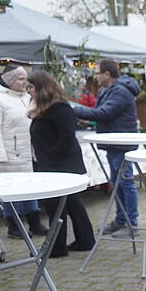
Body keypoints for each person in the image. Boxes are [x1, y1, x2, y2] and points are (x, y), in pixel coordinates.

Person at [27, 70, 95, 257]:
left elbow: (67, 138)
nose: (28, 91)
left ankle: (57, 247)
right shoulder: (43, 108)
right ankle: (85, 240)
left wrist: (51, 157)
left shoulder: (59, 108)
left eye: (31, 87)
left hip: (62, 167)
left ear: (41, 87)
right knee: (71, 204)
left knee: (57, 207)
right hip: (52, 165)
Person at [73, 59, 140, 236]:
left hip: (121, 143)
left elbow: (103, 113)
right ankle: (121, 220)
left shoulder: (120, 91)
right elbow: (102, 114)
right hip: (114, 143)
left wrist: (73, 109)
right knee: (117, 184)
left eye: (97, 73)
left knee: (126, 183)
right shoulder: (108, 90)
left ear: (107, 74)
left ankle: (131, 224)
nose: (95, 77)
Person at [0, 64, 48, 239]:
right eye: (20, 78)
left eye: (25, 78)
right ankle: (14, 226)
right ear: (10, 80)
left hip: (26, 153)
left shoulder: (26, 97)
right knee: (11, 191)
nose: (25, 82)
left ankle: (35, 224)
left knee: (29, 189)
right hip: (8, 155)